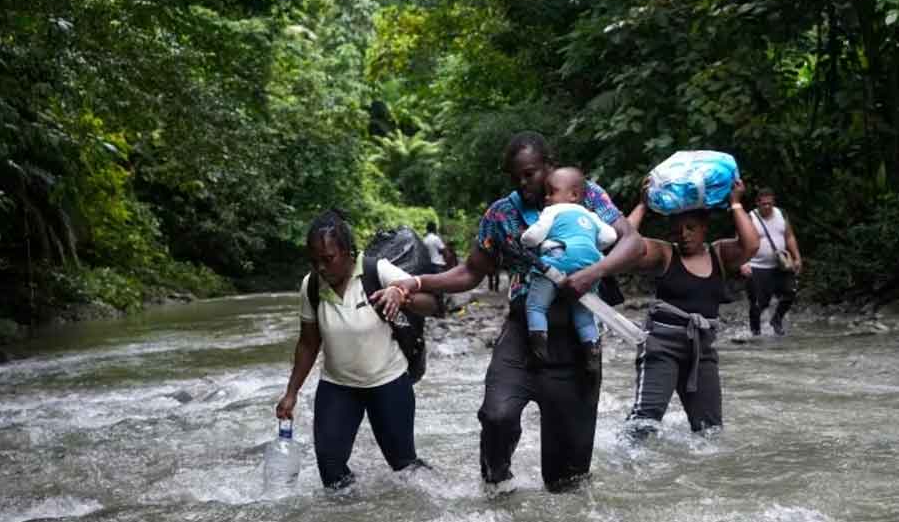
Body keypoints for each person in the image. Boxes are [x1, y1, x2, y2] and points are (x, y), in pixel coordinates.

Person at [392, 131, 644, 493]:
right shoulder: (502, 213)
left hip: (577, 340)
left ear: (549, 166)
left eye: (530, 174)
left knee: (566, 482)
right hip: (523, 330)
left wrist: (593, 273)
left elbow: (631, 243)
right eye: (516, 177)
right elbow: (470, 272)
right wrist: (416, 282)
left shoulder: (584, 194)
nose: (524, 184)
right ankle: (498, 486)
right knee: (496, 415)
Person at [275, 209, 438, 489]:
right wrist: (291, 393)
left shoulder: (377, 271)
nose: (321, 268)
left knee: (403, 464)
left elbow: (433, 303)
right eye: (314, 262)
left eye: (328, 259)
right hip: (337, 386)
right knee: (330, 467)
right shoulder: (312, 286)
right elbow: (308, 343)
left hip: (388, 382)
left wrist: (401, 295)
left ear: (349, 252)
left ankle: (436, 496)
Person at [623, 178, 759, 438]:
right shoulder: (665, 254)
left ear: (704, 229)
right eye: (677, 230)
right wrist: (642, 205)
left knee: (710, 432)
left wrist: (735, 203)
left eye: (691, 228)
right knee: (644, 423)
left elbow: (751, 245)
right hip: (661, 347)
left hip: (701, 351)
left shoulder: (719, 254)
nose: (683, 235)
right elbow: (626, 245)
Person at [521, 167, 618, 367]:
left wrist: (524, 240)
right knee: (583, 314)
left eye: (552, 192)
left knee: (536, 306)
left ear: (573, 195)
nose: (546, 197)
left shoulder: (552, 210)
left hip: (558, 259)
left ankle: (539, 346)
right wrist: (590, 245)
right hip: (589, 267)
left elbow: (534, 236)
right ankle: (591, 351)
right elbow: (611, 236)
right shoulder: (589, 214)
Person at [740, 188, 803, 336]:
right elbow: (741, 241)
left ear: (773, 202)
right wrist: (743, 263)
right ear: (757, 203)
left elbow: (789, 237)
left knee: (790, 292)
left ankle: (777, 319)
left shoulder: (781, 214)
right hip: (757, 266)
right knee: (757, 304)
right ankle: (755, 333)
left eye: (770, 203)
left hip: (780, 266)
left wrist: (797, 257)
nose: (767, 207)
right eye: (764, 204)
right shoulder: (750, 218)